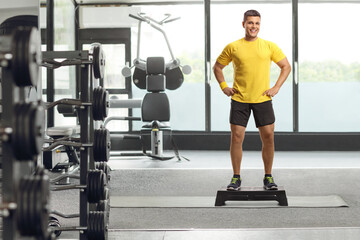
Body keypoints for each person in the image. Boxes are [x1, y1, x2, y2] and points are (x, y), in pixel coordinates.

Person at [213, 9, 291, 191]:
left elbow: (285, 66)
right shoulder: (233, 46)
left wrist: (276, 87)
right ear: (243, 24)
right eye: (250, 23)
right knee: (237, 137)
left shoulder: (269, 46)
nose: (253, 26)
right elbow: (217, 67)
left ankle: (268, 176)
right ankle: (236, 177)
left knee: (269, 137)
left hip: (263, 99)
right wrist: (224, 86)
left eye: (256, 23)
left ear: (259, 25)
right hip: (240, 99)